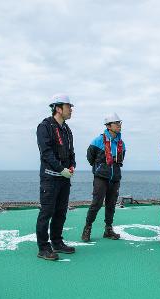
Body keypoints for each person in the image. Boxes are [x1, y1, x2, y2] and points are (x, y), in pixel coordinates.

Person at [35, 94, 77, 261]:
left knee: (61, 211)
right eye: (68, 106)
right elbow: (46, 154)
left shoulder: (67, 129)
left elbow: (71, 152)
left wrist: (72, 166)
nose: (71, 109)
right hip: (50, 178)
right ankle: (43, 248)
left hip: (64, 179)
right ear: (58, 108)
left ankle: (57, 242)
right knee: (47, 212)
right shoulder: (44, 127)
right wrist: (61, 169)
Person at [81, 113, 126, 242]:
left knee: (111, 204)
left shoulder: (121, 143)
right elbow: (90, 157)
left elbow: (121, 158)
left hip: (115, 178)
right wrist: (99, 168)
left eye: (119, 123)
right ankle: (87, 228)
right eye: (116, 123)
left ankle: (108, 229)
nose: (119, 125)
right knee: (96, 203)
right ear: (108, 126)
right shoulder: (98, 141)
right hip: (101, 177)